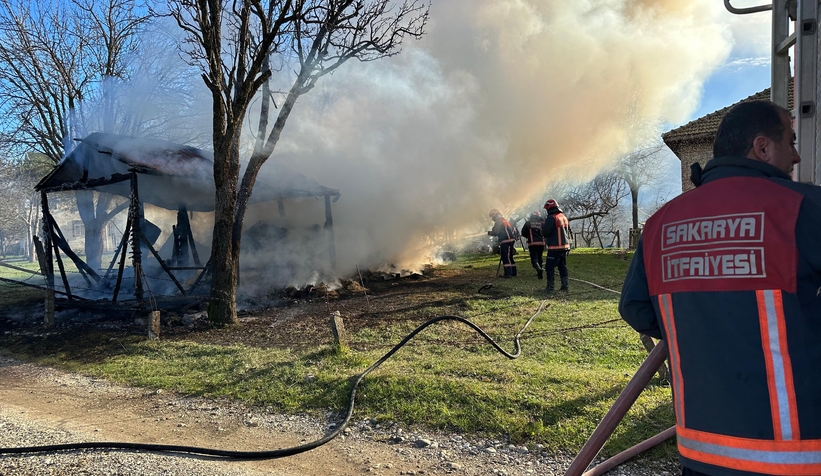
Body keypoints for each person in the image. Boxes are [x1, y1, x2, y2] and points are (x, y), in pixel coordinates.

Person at [619, 100, 821, 476]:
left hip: (703, 452)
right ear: (762, 147)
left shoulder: (661, 224)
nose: (795, 156)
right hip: (799, 455)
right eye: (790, 142)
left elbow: (636, 309)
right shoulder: (803, 209)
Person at [541, 199, 571, 292]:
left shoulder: (551, 218)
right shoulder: (563, 217)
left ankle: (550, 288)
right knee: (562, 266)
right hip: (565, 247)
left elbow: (546, 232)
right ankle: (564, 287)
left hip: (555, 247)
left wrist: (543, 228)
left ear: (549, 208)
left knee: (549, 267)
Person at [488, 209, 517, 278]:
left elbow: (495, 231)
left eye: (492, 216)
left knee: (505, 257)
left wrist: (490, 233)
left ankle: (508, 274)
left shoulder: (498, 222)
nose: (492, 219)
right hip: (510, 240)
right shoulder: (504, 220)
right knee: (510, 257)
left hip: (506, 241)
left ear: (495, 215)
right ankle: (513, 272)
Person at [520, 211, 545, 279]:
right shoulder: (542, 223)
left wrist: (529, 236)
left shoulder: (528, 223)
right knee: (540, 257)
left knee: (534, 258)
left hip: (532, 243)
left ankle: (538, 269)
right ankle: (540, 270)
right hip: (541, 243)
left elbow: (523, 233)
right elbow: (546, 232)